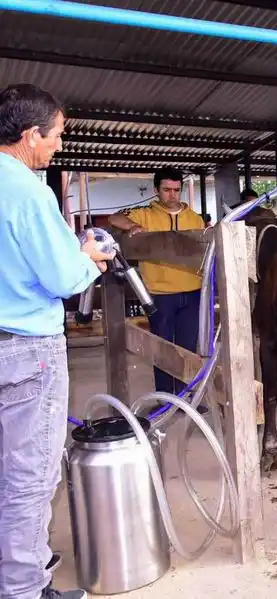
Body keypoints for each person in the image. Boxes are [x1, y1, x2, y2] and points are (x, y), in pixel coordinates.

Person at [0, 83, 114, 599]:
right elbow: (63, 279)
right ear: (30, 135)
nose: (59, 146)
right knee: (28, 477)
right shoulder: (27, 190)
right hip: (26, 349)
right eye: (57, 135)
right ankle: (24, 589)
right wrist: (87, 254)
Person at [108, 168, 206, 396]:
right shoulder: (144, 215)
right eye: (166, 190)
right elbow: (114, 218)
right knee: (161, 348)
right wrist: (132, 227)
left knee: (187, 348)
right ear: (156, 190)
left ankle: (185, 396)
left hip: (193, 292)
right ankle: (165, 398)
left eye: (176, 190)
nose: (172, 195)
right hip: (159, 294)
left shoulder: (195, 218)